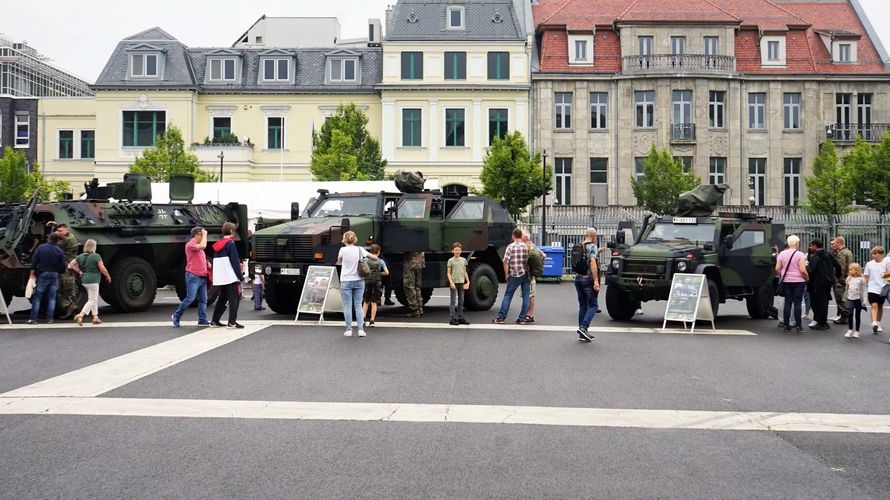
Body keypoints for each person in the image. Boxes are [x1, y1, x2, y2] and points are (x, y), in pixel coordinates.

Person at [172, 227, 210, 327]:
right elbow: (203, 245)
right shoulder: (190, 244)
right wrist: (205, 234)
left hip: (202, 276)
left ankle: (202, 319)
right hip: (193, 276)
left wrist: (207, 264)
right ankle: (176, 316)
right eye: (201, 235)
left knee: (203, 299)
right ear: (197, 235)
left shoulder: (198, 247)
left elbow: (198, 258)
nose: (203, 237)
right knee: (190, 298)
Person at [68, 239, 111, 326]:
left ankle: (95, 318)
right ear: (93, 247)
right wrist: (108, 276)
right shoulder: (96, 256)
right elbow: (102, 268)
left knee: (92, 298)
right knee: (92, 299)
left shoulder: (81, 256)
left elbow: (71, 264)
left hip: (84, 280)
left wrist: (79, 271)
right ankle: (80, 315)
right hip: (93, 280)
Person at [492, 228, 531, 325]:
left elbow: (505, 262)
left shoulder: (510, 247)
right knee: (526, 296)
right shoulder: (526, 246)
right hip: (526, 273)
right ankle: (522, 318)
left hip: (514, 274)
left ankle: (501, 317)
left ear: (513, 236)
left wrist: (506, 274)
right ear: (521, 235)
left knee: (508, 296)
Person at [27, 233, 67, 324]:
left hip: (43, 273)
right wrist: (59, 272)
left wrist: (32, 272)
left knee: (37, 297)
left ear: (49, 238)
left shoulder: (41, 248)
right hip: (54, 274)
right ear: (57, 240)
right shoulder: (59, 250)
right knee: (52, 297)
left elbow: (34, 260)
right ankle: (50, 318)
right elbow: (63, 266)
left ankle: (33, 318)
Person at [210, 222, 244, 329]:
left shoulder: (218, 244)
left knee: (223, 298)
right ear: (231, 231)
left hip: (221, 276)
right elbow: (234, 261)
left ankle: (215, 320)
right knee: (234, 298)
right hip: (230, 276)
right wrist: (240, 276)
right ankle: (232, 322)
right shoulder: (230, 243)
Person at [337, 230, 368, 337]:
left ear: (345, 239)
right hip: (359, 279)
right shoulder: (360, 249)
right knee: (358, 305)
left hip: (346, 280)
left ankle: (349, 329)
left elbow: (339, 261)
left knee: (347, 305)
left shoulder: (342, 250)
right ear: (354, 239)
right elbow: (370, 256)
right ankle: (361, 329)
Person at [775, 235, 808, 334]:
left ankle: (786, 325)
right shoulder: (800, 254)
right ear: (797, 243)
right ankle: (798, 325)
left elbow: (777, 268)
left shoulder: (781, 254)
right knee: (797, 303)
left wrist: (782, 275)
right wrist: (806, 277)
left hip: (786, 281)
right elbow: (802, 269)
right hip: (798, 281)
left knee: (787, 302)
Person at [807, 239, 841, 331]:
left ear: (815, 246)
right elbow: (838, 265)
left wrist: (806, 267)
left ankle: (822, 322)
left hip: (818, 282)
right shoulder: (829, 254)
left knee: (818, 302)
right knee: (824, 301)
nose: (810, 247)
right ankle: (821, 320)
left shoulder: (815, 256)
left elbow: (811, 270)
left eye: (811, 246)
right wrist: (837, 276)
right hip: (828, 281)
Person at [48, 222, 79, 319]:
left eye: (61, 231)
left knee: (66, 288)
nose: (59, 233)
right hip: (66, 265)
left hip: (66, 266)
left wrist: (54, 232)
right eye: (58, 231)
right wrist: (55, 224)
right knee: (65, 288)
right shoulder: (69, 236)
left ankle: (70, 307)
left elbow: (54, 243)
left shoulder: (67, 239)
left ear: (67, 230)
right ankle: (71, 308)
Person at [574, 227, 599, 342]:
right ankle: (584, 327)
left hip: (578, 278)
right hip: (587, 279)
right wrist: (596, 280)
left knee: (583, 305)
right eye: (596, 236)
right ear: (593, 236)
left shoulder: (580, 246)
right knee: (593, 305)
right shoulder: (593, 246)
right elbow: (593, 263)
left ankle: (582, 332)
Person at [362, 244, 388, 327]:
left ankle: (363, 319)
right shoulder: (380, 261)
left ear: (370, 251)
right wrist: (379, 273)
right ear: (378, 252)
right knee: (374, 302)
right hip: (377, 282)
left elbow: (362, 270)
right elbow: (387, 273)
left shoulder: (365, 260)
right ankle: (372, 321)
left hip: (367, 282)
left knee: (366, 301)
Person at [863, 246, 888, 334]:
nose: (873, 255)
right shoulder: (869, 264)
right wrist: (863, 287)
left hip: (883, 287)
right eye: (872, 254)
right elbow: (866, 276)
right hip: (872, 288)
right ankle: (874, 322)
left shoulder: (886, 264)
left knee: (880, 306)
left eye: (875, 253)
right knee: (874, 306)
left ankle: (878, 323)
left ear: (881, 254)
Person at [830, 237, 853, 324]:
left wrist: (837, 279)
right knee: (845, 298)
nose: (834, 245)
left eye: (835, 243)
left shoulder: (841, 254)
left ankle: (844, 317)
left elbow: (841, 268)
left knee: (840, 299)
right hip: (847, 278)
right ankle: (845, 316)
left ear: (839, 243)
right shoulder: (848, 251)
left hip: (841, 280)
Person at [447, 242, 470, 326]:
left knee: (461, 300)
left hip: (461, 282)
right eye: (456, 250)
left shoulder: (463, 260)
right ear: (452, 251)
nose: (457, 251)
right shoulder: (450, 261)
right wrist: (451, 282)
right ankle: (452, 318)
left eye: (459, 250)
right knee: (453, 301)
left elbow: (464, 272)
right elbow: (448, 273)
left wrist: (468, 281)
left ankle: (460, 317)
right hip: (454, 283)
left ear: (461, 251)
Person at [844, 263, 865, 339]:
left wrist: (864, 300)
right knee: (850, 313)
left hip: (858, 299)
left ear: (856, 271)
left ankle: (857, 331)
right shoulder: (848, 278)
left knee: (857, 315)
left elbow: (864, 290)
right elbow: (846, 289)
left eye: (851, 269)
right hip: (850, 299)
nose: (849, 271)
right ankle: (850, 330)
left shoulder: (861, 279)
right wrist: (845, 298)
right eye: (849, 269)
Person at [520, 229, 537, 323]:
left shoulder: (530, 247)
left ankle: (529, 314)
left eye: (521, 235)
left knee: (530, 295)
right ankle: (527, 313)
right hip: (528, 274)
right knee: (527, 294)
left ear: (525, 237)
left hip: (529, 275)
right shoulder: (529, 246)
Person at [404, 250, 424, 318]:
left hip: (411, 261)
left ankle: (414, 309)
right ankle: (420, 308)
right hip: (420, 260)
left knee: (409, 285)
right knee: (417, 286)